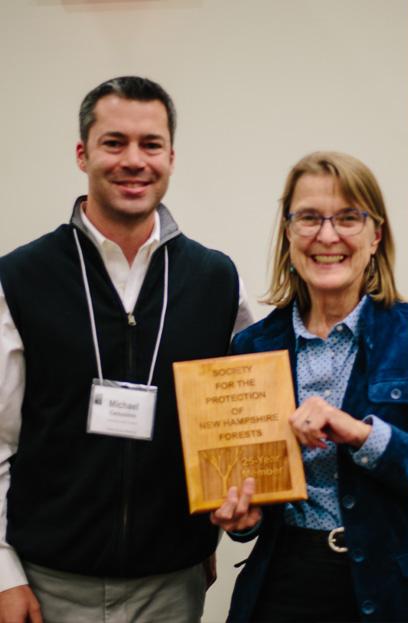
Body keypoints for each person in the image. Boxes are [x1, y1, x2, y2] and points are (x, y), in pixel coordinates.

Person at [0, 76, 253, 623]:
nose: (133, 160)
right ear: (82, 153)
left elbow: (239, 424)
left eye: (150, 144)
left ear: (171, 156)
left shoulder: (216, 279)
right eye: (114, 142)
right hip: (47, 586)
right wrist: (4, 574)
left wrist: (234, 514)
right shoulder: (21, 276)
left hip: (172, 583)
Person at [210, 152, 408, 623]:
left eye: (348, 217)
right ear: (287, 233)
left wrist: (360, 434)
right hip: (284, 586)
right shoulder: (251, 348)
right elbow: (248, 491)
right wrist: (244, 520)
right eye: (308, 218)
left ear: (375, 234)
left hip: (388, 589)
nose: (327, 236)